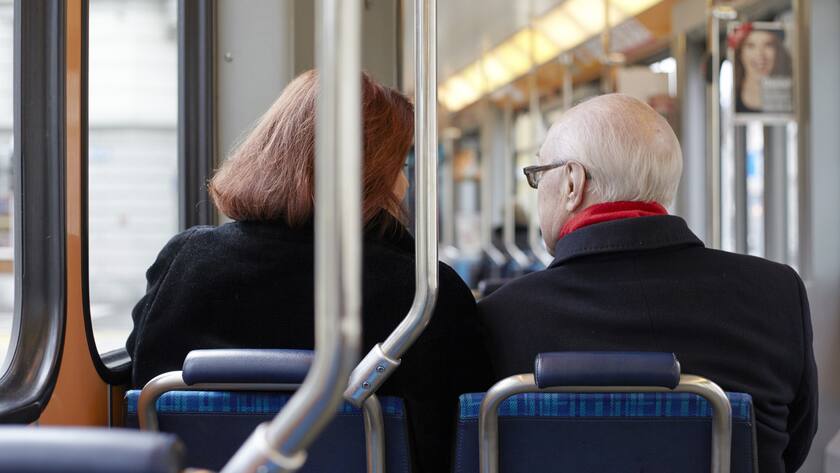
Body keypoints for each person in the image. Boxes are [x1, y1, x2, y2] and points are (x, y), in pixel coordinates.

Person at [126, 70, 492, 472]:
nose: (404, 184)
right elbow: (457, 442)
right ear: (371, 176)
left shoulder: (181, 263)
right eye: (400, 166)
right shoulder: (423, 298)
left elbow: (141, 378)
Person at [478, 94, 817, 473]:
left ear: (573, 182)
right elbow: (793, 446)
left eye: (539, 175)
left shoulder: (500, 318)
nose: (539, 190)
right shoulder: (776, 293)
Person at [732, 24, 792, 113]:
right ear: (740, 53)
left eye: (768, 45)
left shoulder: (790, 95)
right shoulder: (729, 96)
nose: (760, 55)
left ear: (778, 52)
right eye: (751, 46)